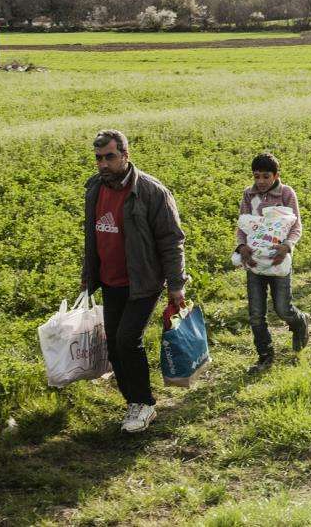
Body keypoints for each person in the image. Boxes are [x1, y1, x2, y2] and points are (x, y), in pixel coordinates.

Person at [80, 129, 188, 434]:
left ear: (126, 156)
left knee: (128, 340)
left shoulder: (152, 192)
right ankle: (132, 401)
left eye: (110, 157)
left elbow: (172, 240)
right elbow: (94, 235)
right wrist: (89, 276)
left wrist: (176, 284)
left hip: (142, 281)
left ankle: (144, 402)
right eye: (99, 158)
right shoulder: (94, 188)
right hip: (110, 280)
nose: (103, 164)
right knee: (113, 345)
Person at [236, 152, 308, 372]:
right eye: (256, 176)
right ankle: (265, 356)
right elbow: (242, 225)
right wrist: (242, 247)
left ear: (276, 175)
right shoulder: (249, 195)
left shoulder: (286, 193)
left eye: (266, 176)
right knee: (256, 314)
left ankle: (299, 323)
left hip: (279, 260)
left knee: (282, 308)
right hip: (255, 263)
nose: (261, 181)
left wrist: (287, 246)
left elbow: (296, 226)